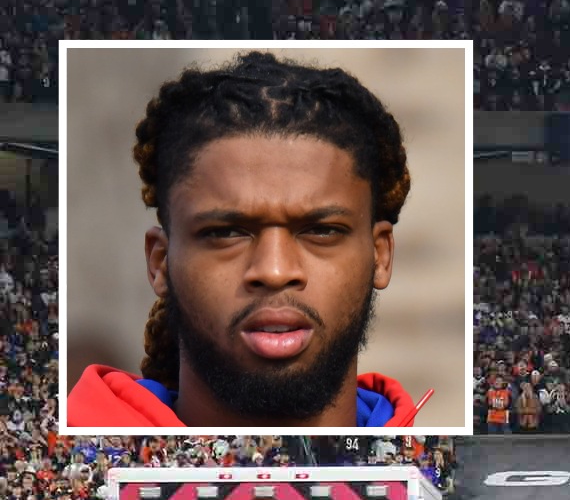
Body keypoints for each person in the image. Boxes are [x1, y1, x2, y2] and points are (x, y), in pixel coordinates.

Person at [69, 52, 425, 428]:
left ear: (380, 256)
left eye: (321, 230)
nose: (274, 271)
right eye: (225, 233)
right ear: (159, 263)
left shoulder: (424, 467)